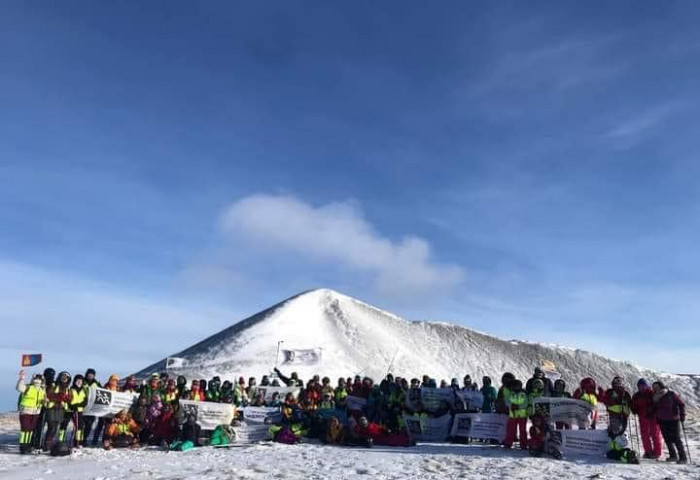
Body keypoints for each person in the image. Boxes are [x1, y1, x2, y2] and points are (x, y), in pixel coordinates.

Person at [652, 381, 688, 464]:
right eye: (654, 387)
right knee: (667, 439)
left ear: (662, 386)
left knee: (676, 438)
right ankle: (673, 456)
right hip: (662, 420)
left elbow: (681, 404)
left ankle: (683, 458)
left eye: (657, 387)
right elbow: (655, 408)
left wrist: (682, 415)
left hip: (673, 419)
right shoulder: (655, 397)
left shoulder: (671, 394)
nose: (656, 389)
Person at [631, 378, 662, 459]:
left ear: (647, 385)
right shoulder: (636, 395)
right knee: (644, 435)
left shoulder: (652, 393)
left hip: (653, 417)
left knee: (655, 434)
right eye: (640, 386)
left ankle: (657, 453)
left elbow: (658, 404)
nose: (642, 387)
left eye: (643, 386)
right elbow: (633, 405)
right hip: (642, 417)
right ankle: (648, 452)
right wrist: (634, 409)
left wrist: (653, 409)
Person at [16, 370, 45, 454]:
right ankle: (23, 446)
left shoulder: (42, 390)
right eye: (36, 378)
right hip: (25, 411)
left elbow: (42, 400)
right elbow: (19, 388)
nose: (38, 380)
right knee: (25, 430)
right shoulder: (28, 387)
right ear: (33, 379)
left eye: (39, 379)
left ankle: (27, 445)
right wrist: (21, 379)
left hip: (35, 412)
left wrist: (44, 401)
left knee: (30, 430)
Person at [44, 371, 72, 452]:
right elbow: (49, 394)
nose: (64, 379)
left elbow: (69, 398)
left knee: (55, 428)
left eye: (66, 378)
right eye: (63, 377)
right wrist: (59, 397)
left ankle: (49, 443)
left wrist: (66, 398)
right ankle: (47, 444)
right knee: (51, 427)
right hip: (52, 408)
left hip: (61, 410)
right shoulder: (54, 385)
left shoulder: (67, 388)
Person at [59, 374, 87, 447]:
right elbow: (67, 399)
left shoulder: (83, 390)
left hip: (79, 410)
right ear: (74, 381)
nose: (79, 382)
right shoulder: (71, 389)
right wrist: (71, 406)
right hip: (69, 410)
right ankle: (60, 440)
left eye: (80, 381)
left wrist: (78, 405)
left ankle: (77, 442)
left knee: (79, 426)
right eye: (77, 380)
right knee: (64, 425)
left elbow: (85, 401)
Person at [92, 374, 120, 446]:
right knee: (100, 425)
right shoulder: (105, 387)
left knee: (108, 426)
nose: (114, 382)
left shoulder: (118, 389)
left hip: (112, 411)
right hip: (103, 410)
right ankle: (95, 440)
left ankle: (105, 440)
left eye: (115, 381)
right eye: (113, 380)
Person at [503, 380, 528, 449]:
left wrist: (518, 406)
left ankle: (523, 444)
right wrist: (511, 405)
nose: (516, 387)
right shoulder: (511, 394)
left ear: (520, 386)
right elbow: (506, 401)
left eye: (518, 386)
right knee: (511, 430)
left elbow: (526, 403)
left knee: (522, 431)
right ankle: (508, 443)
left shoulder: (523, 394)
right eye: (515, 386)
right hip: (512, 415)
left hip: (522, 415)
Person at [81, 368, 100, 444]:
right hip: (82, 407)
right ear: (87, 374)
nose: (90, 375)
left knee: (88, 426)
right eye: (89, 374)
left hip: (92, 409)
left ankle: (84, 439)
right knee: (80, 426)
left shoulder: (96, 383)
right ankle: (78, 440)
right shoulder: (82, 381)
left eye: (92, 374)